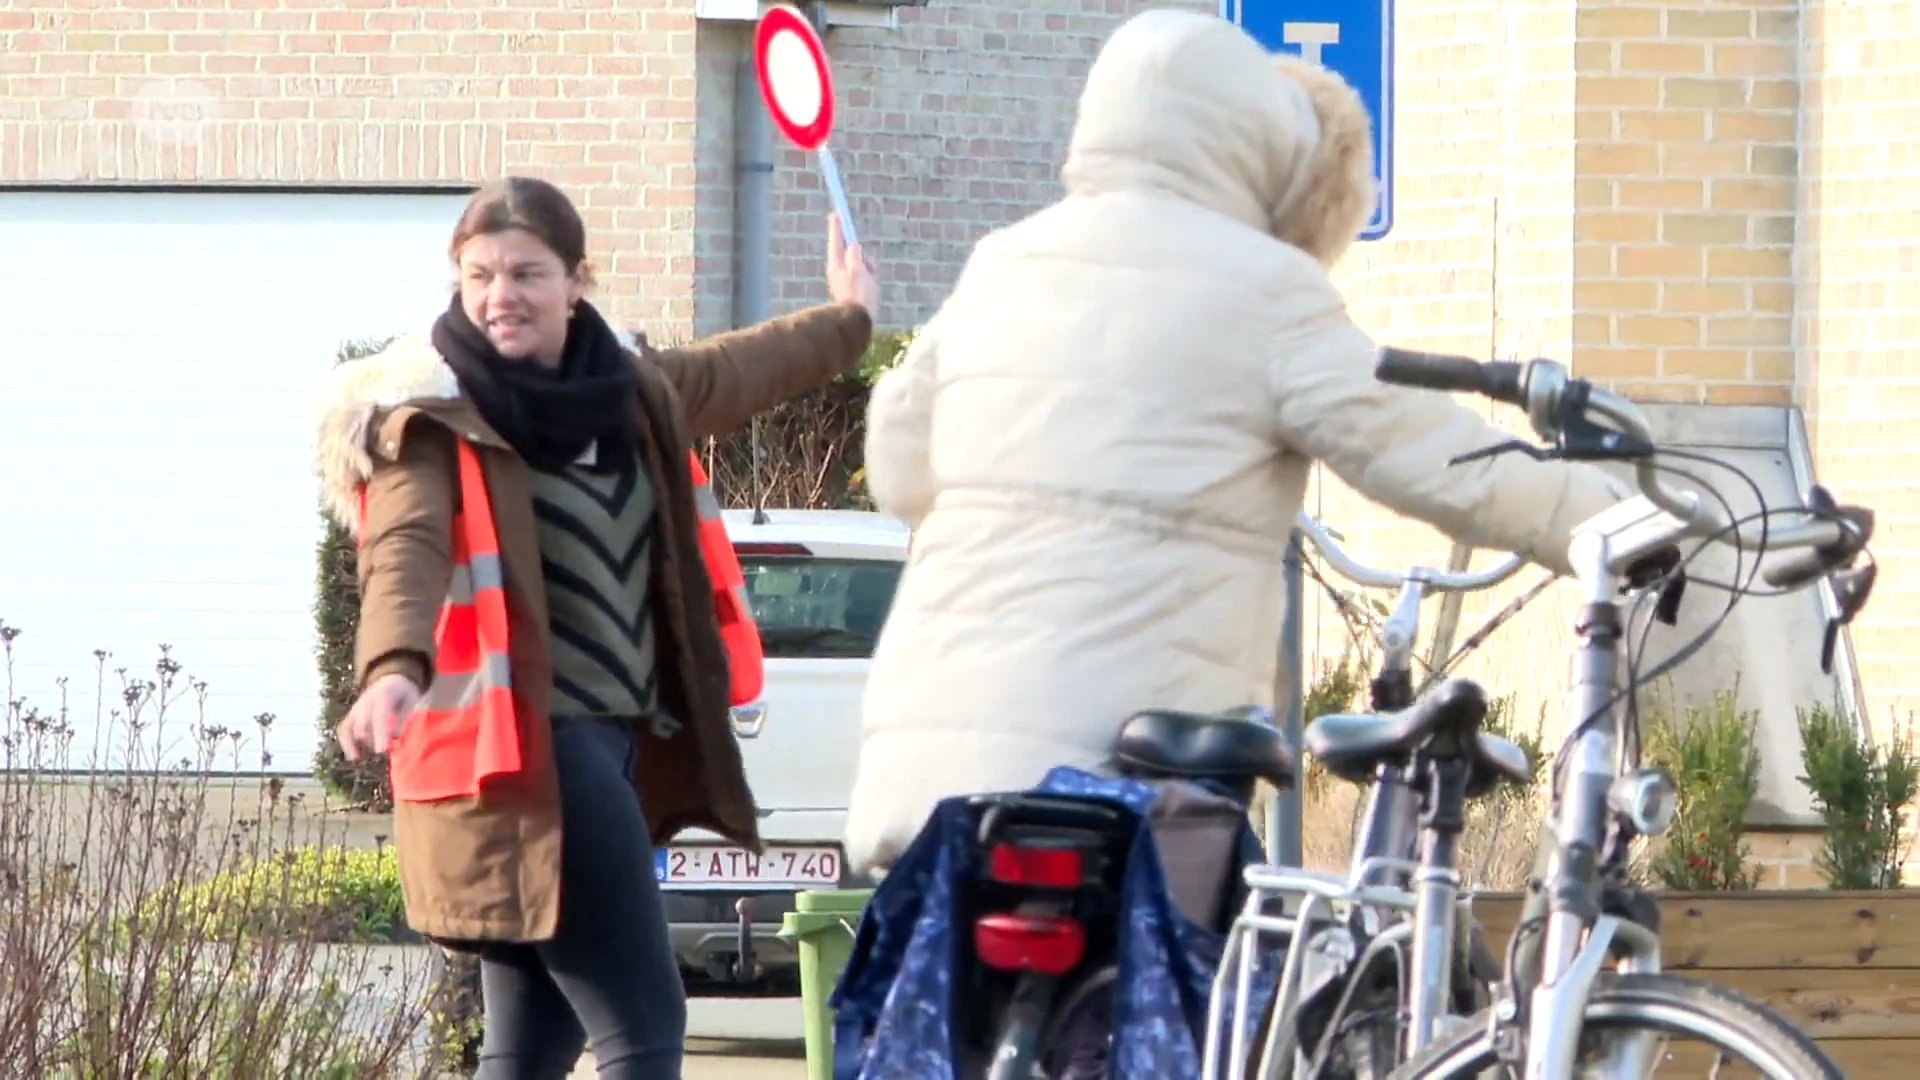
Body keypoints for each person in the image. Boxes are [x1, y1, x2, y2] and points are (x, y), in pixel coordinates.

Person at [842, 9, 1629, 875]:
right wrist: (1617, 528)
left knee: (949, 1006)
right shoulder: (1264, 289)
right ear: (1254, 142)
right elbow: (1430, 455)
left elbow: (897, 466)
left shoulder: (1002, 264)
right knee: (1224, 994)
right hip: (1128, 777)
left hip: (933, 780)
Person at [316, 175, 878, 1079]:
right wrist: (391, 667)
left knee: (533, 1044)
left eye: (528, 274)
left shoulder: (632, 391)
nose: (502, 296)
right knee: (644, 1026)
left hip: (592, 751)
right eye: (481, 275)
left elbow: (741, 368)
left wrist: (849, 318)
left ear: (578, 280)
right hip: (531, 761)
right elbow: (408, 547)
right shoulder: (431, 418)